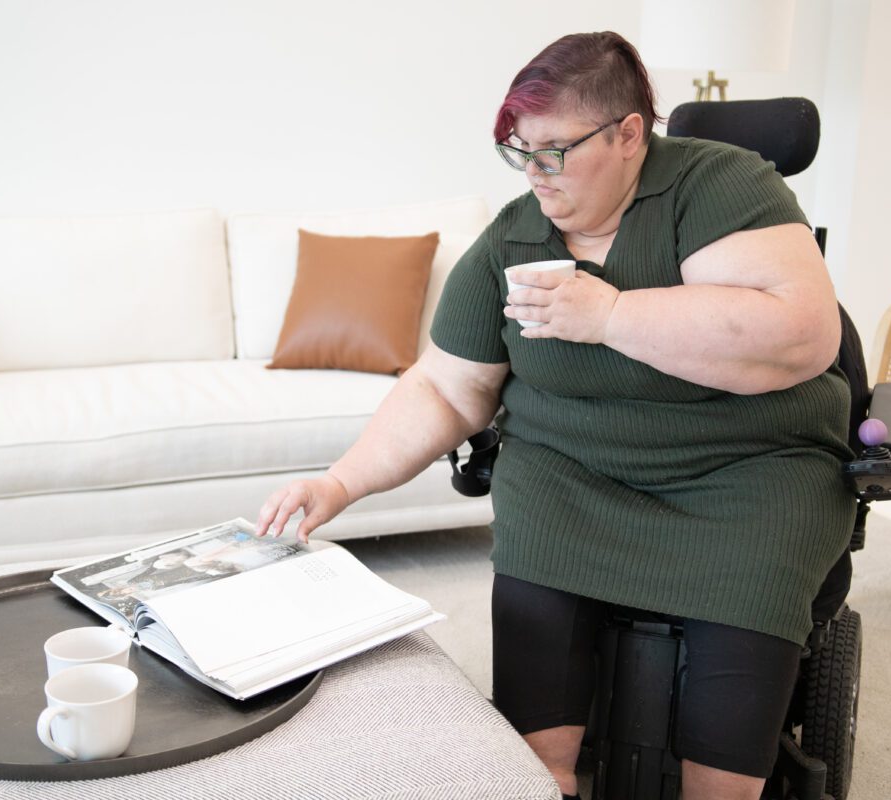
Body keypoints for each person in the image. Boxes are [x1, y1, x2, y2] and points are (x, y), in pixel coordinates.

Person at [255, 31, 854, 800]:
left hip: (747, 479)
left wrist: (608, 315)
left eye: (555, 150)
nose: (534, 172)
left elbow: (801, 334)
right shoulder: (514, 236)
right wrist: (337, 486)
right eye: (520, 149)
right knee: (534, 765)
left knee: (724, 783)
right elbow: (445, 387)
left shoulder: (721, 187)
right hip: (569, 484)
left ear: (630, 134)